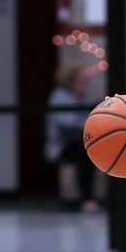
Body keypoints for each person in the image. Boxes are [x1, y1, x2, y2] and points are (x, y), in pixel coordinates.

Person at [46, 63, 101, 211]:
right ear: (69, 80)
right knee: (85, 154)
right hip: (62, 145)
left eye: (84, 80)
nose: (83, 84)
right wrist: (92, 123)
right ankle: (87, 198)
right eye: (80, 80)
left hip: (82, 141)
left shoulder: (85, 95)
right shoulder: (59, 96)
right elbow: (67, 122)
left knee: (93, 150)